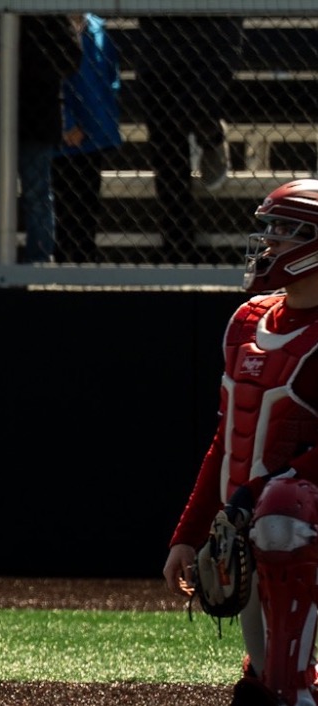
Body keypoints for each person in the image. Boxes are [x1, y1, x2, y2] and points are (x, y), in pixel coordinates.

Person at [162, 179, 318, 706]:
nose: (268, 242)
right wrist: (189, 534)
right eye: (268, 228)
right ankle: (276, 678)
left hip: (298, 525)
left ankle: (295, 686)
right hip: (254, 528)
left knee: (284, 508)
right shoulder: (247, 321)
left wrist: (261, 493)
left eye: (284, 230)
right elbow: (228, 439)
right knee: (265, 682)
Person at [0, 15, 82, 264]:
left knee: (37, 193)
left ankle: (39, 259)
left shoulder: (48, 15)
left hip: (36, 116)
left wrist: (21, 60)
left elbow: (70, 57)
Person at [135, 16, 244, 264]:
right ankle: (177, 246)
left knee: (194, 109)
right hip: (159, 55)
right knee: (167, 158)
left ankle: (211, 135)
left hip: (209, 48)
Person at [52, 12, 122, 264]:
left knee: (88, 207)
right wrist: (67, 121)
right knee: (63, 208)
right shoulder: (52, 29)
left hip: (94, 134)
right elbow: (53, 79)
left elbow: (111, 76)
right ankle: (62, 265)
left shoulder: (97, 28)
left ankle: (85, 265)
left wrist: (103, 118)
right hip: (63, 137)